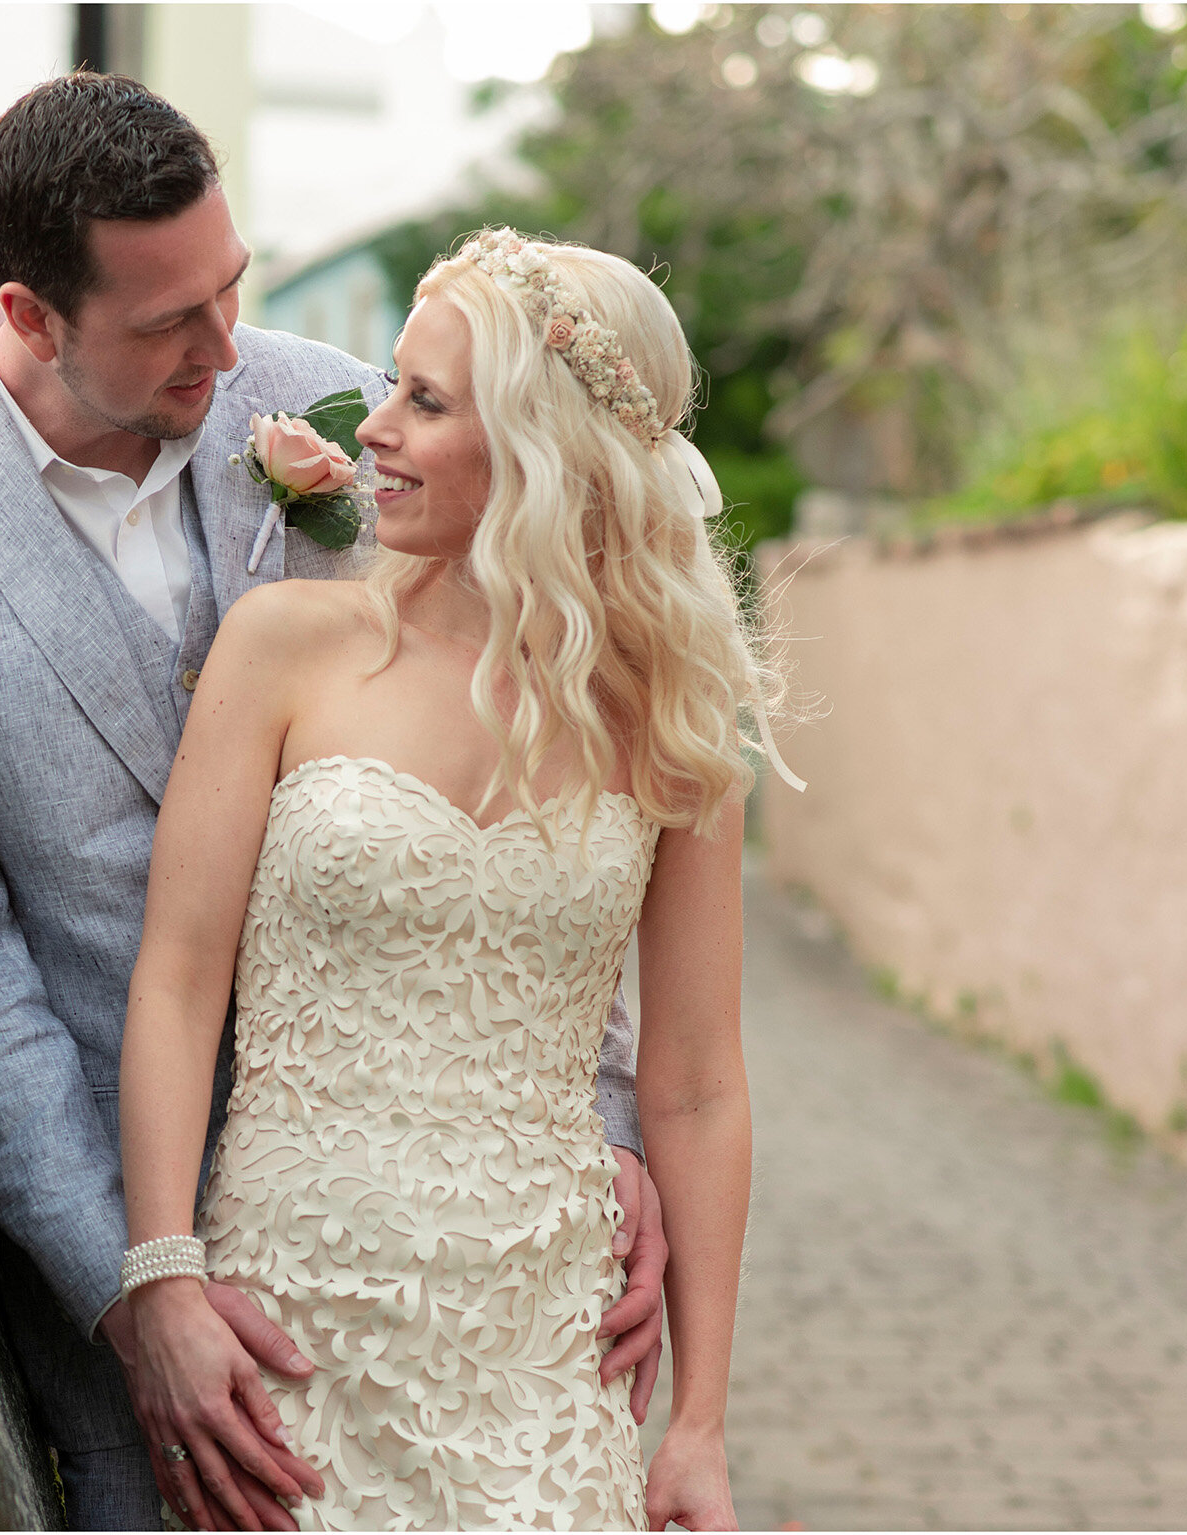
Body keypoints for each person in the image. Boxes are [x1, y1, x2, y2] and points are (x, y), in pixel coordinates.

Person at [0, 75, 668, 1532]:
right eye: (166, 324)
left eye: (231, 288)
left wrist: (602, 1120)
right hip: (149, 1245)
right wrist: (145, 1291)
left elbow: (535, 781)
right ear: (30, 314)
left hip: (467, 1246)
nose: (225, 345)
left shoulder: (325, 405)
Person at [117, 229, 792, 1530]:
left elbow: (699, 1085)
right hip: (291, 1336)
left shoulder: (674, 719)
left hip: (548, 1344)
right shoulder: (286, 647)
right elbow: (179, 978)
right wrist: (165, 1277)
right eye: (390, 385)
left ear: (544, 452)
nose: (372, 428)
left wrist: (700, 1425)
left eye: (425, 402)